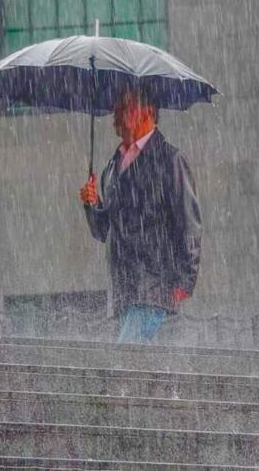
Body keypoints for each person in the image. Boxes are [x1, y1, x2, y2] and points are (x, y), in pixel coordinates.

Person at [79, 88, 202, 344]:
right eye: (117, 107)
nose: (116, 113)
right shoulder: (112, 166)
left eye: (125, 106)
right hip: (124, 289)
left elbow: (188, 221)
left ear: (148, 111)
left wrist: (185, 281)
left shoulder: (169, 159)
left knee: (125, 359)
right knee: (138, 362)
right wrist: (93, 204)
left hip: (154, 286)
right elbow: (104, 230)